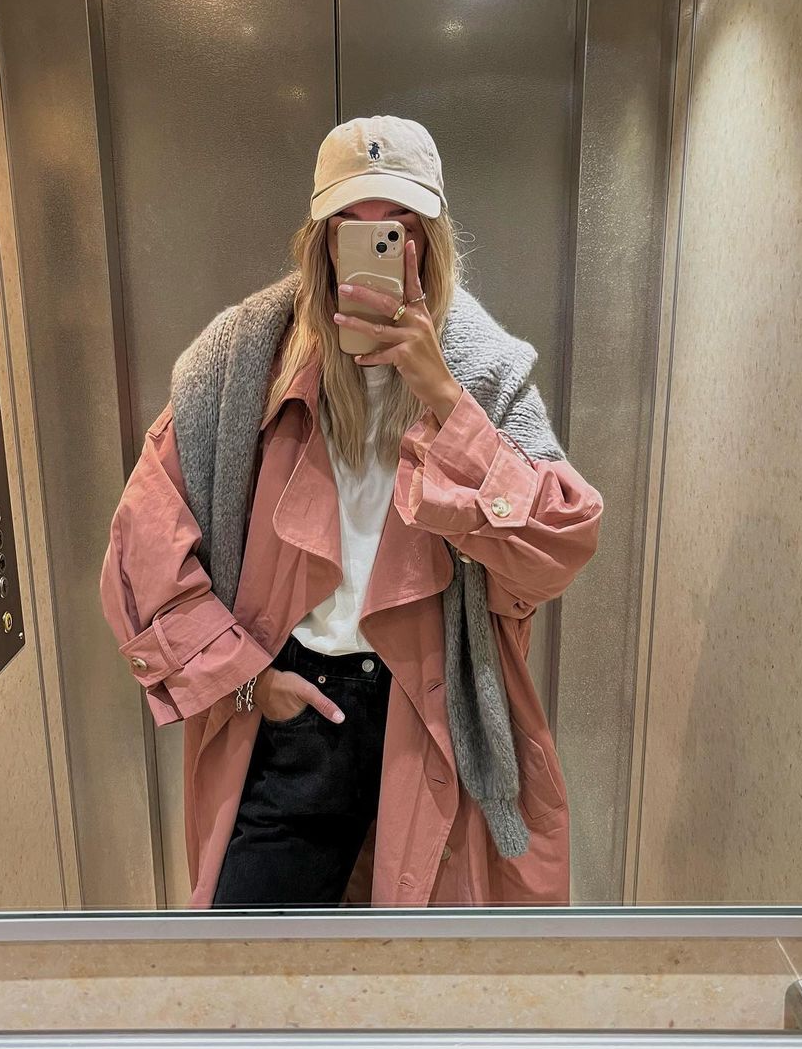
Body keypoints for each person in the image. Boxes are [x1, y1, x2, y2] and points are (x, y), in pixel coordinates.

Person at [100, 115, 603, 909]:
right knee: (251, 962)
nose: (378, 248)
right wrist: (248, 681)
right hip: (299, 710)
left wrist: (445, 401)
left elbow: (560, 543)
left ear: (429, 241)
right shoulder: (242, 363)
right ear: (322, 242)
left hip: (430, 715)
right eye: (352, 227)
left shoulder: (482, 375)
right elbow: (142, 545)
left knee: (418, 967)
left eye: (398, 227)